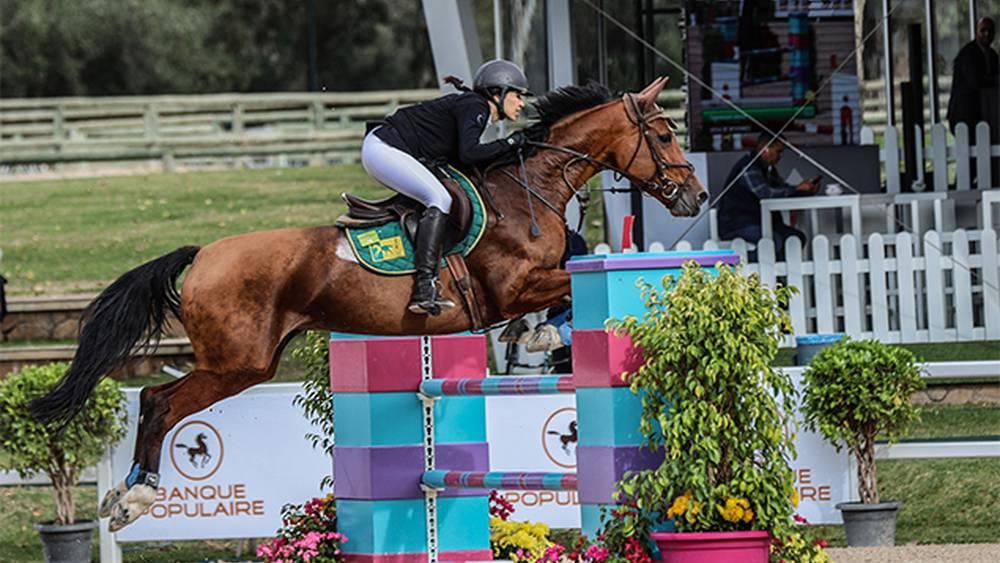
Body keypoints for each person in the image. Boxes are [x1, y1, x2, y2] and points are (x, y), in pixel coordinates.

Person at [361, 60, 532, 315]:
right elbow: (470, 153)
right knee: (439, 198)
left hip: (388, 148)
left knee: (441, 194)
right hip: (384, 148)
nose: (521, 103)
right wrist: (510, 143)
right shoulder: (475, 106)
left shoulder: (473, 109)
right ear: (498, 93)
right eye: (517, 96)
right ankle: (424, 286)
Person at [716, 132, 819, 256]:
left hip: (759, 222)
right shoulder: (749, 166)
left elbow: (782, 189)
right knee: (773, 241)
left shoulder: (768, 169)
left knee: (796, 238)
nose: (780, 156)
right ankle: (745, 268)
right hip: (738, 224)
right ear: (766, 149)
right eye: (778, 151)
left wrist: (803, 190)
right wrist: (796, 188)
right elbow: (766, 193)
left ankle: (780, 273)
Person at [947, 17, 999, 137]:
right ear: (976, 32)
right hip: (964, 114)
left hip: (985, 112)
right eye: (983, 30)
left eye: (990, 31)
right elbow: (975, 81)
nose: (987, 34)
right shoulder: (968, 53)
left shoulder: (992, 55)